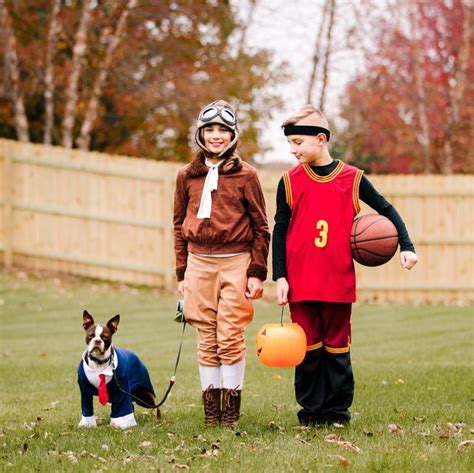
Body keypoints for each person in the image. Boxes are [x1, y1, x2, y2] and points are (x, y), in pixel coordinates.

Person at [272, 104, 418, 427]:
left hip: (337, 282)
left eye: (298, 143)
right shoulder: (289, 181)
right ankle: (310, 412)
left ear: (320, 139)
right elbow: (279, 230)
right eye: (290, 144)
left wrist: (405, 246)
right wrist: (279, 276)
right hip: (300, 282)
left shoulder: (352, 179)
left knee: (337, 349)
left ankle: (337, 413)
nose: (293, 150)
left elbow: (385, 208)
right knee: (307, 351)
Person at [173, 99, 270, 427]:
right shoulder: (187, 175)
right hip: (199, 264)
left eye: (223, 130)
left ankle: (231, 413)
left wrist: (256, 272)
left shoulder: (246, 175)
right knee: (207, 337)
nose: (216, 136)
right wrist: (181, 272)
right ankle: (211, 414)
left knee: (229, 334)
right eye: (210, 129)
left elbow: (261, 227)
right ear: (199, 134)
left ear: (233, 135)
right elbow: (177, 226)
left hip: (236, 262)